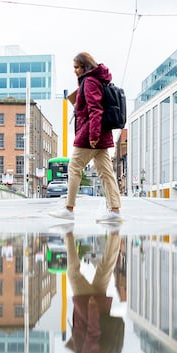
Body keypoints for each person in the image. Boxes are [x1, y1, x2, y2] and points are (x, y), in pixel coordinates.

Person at [49, 52, 123, 224]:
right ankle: (115, 211)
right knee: (106, 174)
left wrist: (93, 136)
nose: (74, 71)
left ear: (85, 66)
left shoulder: (89, 82)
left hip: (90, 134)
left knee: (74, 168)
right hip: (100, 134)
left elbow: (95, 110)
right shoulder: (96, 80)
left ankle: (69, 209)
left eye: (76, 67)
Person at [63, 229, 123, 353]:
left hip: (99, 304)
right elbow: (93, 333)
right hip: (87, 303)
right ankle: (68, 235)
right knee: (73, 273)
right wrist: (91, 308)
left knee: (105, 269)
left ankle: (115, 237)